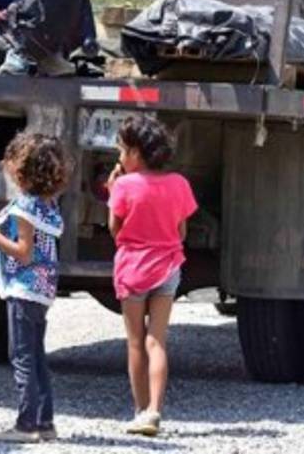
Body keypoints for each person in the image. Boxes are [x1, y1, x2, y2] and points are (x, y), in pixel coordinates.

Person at [107, 116, 197, 437]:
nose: (119, 156)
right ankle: (156, 411)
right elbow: (181, 230)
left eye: (121, 150)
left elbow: (115, 231)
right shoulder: (179, 183)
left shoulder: (123, 185)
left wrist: (114, 186)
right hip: (169, 266)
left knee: (134, 343)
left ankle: (139, 410)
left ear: (134, 152)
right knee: (157, 341)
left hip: (133, 268)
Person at [0, 132, 68, 443]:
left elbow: (23, 251)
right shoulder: (49, 205)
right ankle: (45, 422)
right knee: (36, 356)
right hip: (43, 290)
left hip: (23, 287)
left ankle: (26, 423)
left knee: (21, 356)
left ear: (19, 172)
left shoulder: (23, 208)